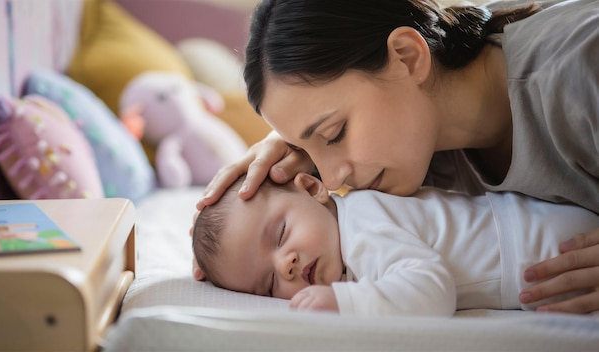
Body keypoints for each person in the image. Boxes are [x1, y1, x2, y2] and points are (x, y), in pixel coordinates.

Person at [196, 0, 599, 314]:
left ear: (407, 56)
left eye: (334, 134)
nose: (333, 177)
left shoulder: (579, 71)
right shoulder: (416, 145)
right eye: (307, 149)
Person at [192, 173, 599, 316]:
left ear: (313, 188)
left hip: (555, 247)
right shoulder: (346, 240)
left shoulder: (362, 226)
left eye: (281, 236)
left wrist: (346, 304)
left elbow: (433, 290)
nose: (287, 266)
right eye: (268, 285)